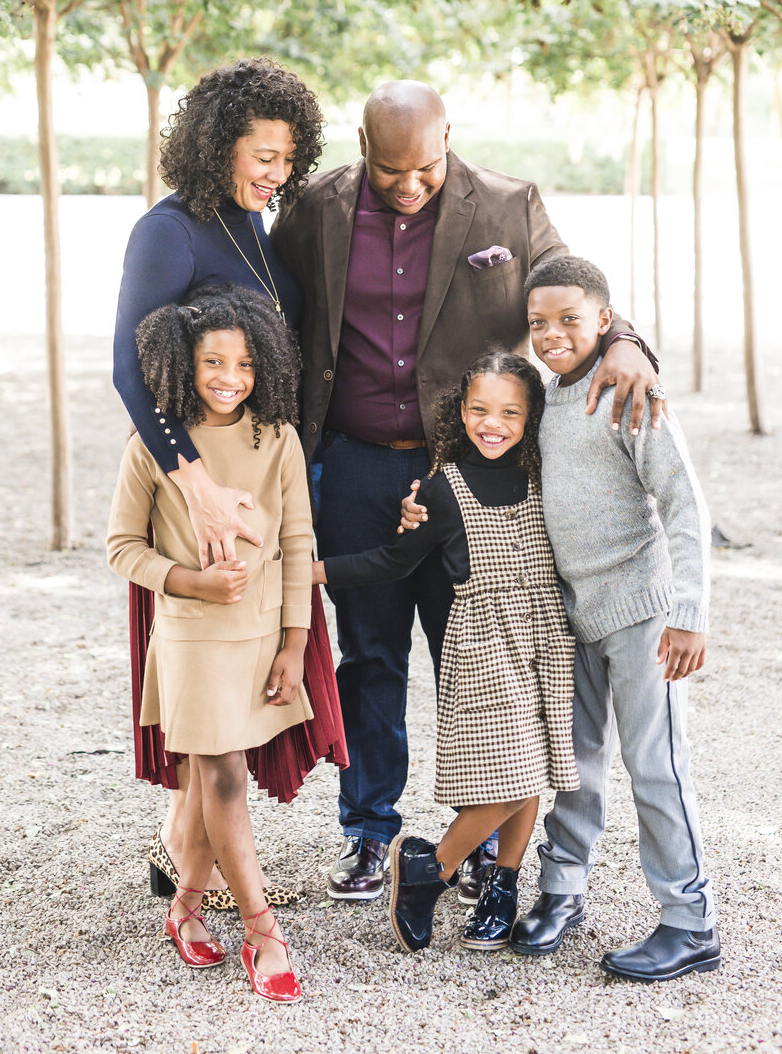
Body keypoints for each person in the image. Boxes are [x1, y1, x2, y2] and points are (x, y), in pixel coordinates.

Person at [271, 79, 660, 904]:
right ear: (363, 148)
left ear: (450, 136)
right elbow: (270, 312)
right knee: (368, 657)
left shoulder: (511, 207)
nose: (408, 186)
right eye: (388, 170)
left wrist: (625, 339)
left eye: (425, 167)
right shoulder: (315, 207)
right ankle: (370, 831)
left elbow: (569, 288)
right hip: (353, 466)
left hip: (475, 474)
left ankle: (477, 833)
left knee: (480, 663)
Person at [112, 56, 345, 907]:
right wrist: (193, 484)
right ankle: (198, 852)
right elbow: (128, 370)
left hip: (265, 480)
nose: (277, 175)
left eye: (288, 160)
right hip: (192, 506)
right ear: (218, 147)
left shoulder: (255, 227)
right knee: (212, 684)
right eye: (262, 157)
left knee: (247, 690)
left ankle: (187, 846)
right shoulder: (167, 231)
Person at [312, 351, 579, 953]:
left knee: (533, 764)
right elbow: (391, 561)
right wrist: (311, 572)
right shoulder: (441, 486)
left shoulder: (548, 477)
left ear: (532, 416)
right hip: (484, 646)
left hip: (545, 642)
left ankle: (503, 886)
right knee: (517, 769)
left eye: (511, 412)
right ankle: (432, 867)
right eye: (480, 409)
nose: (494, 423)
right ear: (459, 412)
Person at [509, 254, 719, 983]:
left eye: (570, 319)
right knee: (574, 765)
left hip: (642, 616)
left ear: (607, 320)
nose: (553, 335)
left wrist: (688, 614)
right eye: (539, 323)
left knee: (655, 767)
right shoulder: (544, 399)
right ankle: (562, 890)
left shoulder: (629, 391)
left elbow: (685, 502)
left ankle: (689, 922)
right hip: (574, 616)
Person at [107, 285, 311, 1003]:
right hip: (192, 638)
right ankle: (264, 931)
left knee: (209, 790)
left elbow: (296, 542)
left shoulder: (277, 437)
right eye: (212, 363)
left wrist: (295, 642)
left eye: (246, 364)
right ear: (180, 366)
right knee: (222, 775)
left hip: (260, 637)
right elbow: (122, 548)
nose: (230, 377)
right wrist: (190, 583)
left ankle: (185, 910)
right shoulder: (154, 448)